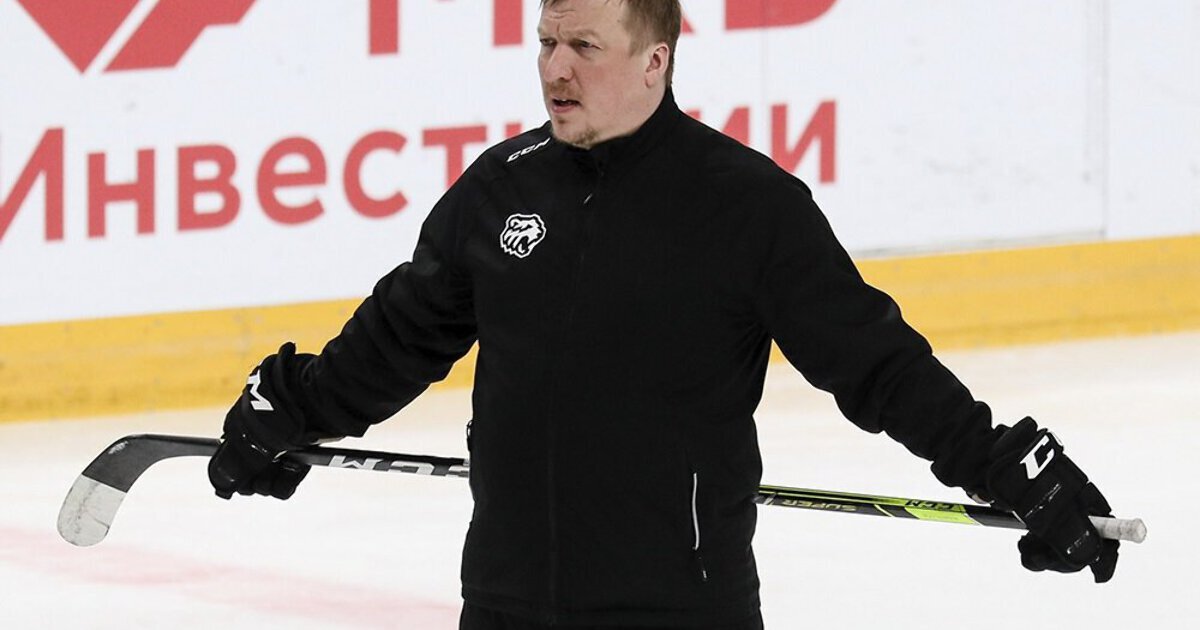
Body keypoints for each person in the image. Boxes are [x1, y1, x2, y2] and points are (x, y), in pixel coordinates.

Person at [207, 1, 1120, 628]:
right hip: (507, 603)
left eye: (584, 46)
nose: (555, 68)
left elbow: (876, 365)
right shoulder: (500, 190)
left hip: (680, 609)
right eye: (545, 41)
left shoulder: (746, 207)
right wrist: (294, 409)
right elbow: (397, 342)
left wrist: (1011, 469)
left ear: (656, 60)